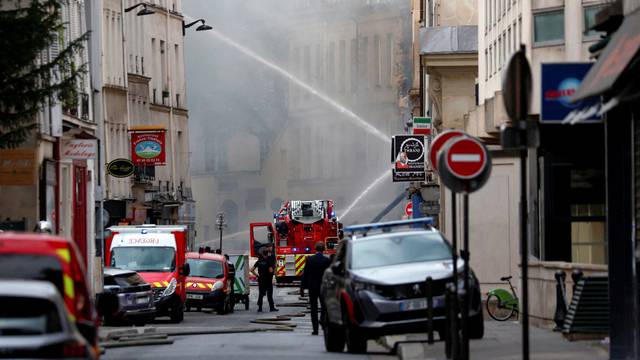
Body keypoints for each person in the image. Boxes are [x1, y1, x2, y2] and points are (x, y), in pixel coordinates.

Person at [300, 241, 332, 335]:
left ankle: (315, 330)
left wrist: (302, 287)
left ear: (315, 249)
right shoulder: (327, 261)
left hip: (312, 287)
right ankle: (322, 320)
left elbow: (305, 274)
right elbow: (329, 275)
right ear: (324, 249)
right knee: (324, 307)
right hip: (323, 287)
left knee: (313, 308)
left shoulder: (310, 259)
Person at [250, 247, 278, 312]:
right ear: (266, 255)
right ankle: (271, 308)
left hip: (261, 280)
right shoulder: (268, 261)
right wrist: (274, 268)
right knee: (269, 294)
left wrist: (257, 275)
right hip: (268, 280)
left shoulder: (259, 261)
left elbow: (251, 270)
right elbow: (271, 271)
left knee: (261, 294)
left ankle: (260, 308)